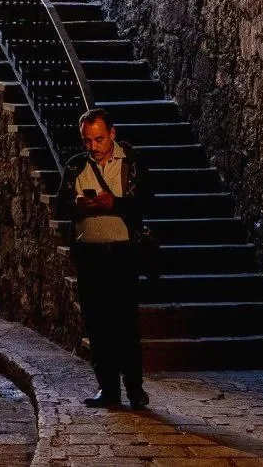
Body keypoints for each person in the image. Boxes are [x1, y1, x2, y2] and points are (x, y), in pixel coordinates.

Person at [58, 108, 151, 410]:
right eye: (88, 141)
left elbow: (146, 201)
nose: (94, 147)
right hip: (90, 255)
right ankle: (107, 388)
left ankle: (135, 388)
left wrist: (115, 203)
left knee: (124, 323)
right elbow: (61, 207)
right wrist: (80, 206)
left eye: (99, 139)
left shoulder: (131, 162)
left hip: (121, 254)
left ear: (112, 134)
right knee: (97, 324)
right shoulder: (76, 167)